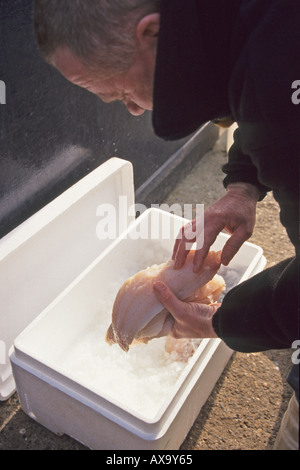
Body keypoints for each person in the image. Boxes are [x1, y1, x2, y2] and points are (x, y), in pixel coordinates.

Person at [33, 0, 299, 449]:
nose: (133, 111)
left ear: (151, 34)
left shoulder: (278, 88)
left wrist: (224, 320)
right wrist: (243, 184)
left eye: (121, 93)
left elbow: (271, 107)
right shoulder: (254, 33)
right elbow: (256, 97)